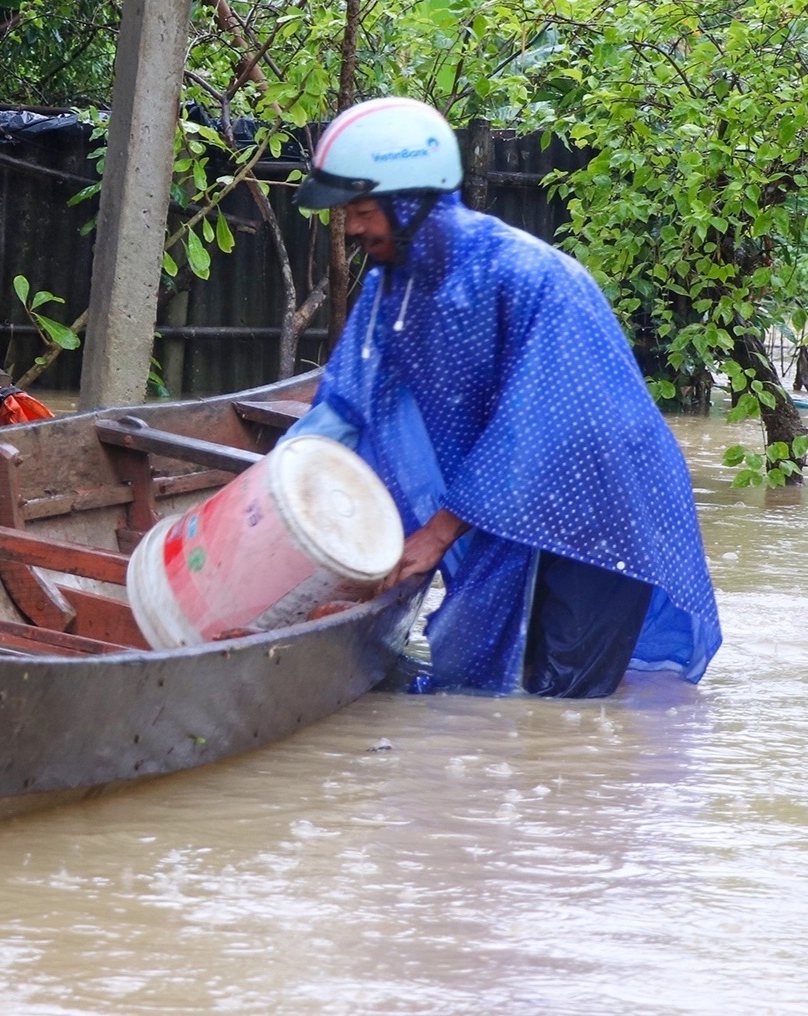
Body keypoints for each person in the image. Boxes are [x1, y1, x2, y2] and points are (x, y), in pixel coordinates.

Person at [285, 96, 721, 696]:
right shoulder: (394, 291)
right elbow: (346, 406)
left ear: (413, 200)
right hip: (508, 501)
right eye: (347, 213)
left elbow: (544, 427)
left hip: (602, 504)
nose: (353, 228)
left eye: (362, 210)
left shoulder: (531, 277)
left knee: (562, 703)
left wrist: (435, 534)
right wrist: (274, 492)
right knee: (493, 684)